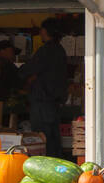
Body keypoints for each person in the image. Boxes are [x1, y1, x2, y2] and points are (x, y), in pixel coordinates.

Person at [19, 18, 69, 158]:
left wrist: (21, 72)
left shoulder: (46, 50)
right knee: (53, 136)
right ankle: (55, 163)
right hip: (54, 100)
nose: (40, 32)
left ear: (46, 31)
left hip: (43, 99)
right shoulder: (60, 50)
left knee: (42, 137)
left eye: (41, 29)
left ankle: (46, 164)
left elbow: (29, 69)